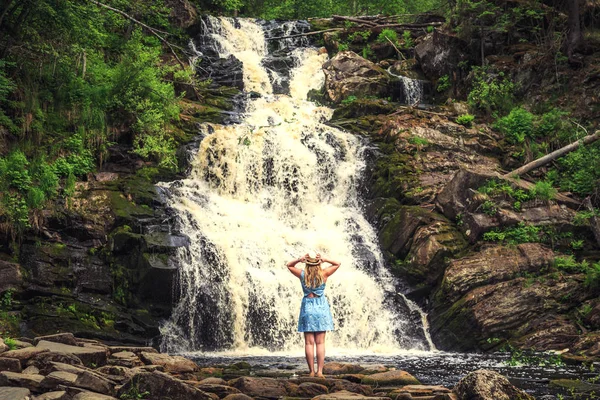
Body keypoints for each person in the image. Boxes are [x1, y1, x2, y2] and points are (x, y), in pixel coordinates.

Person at [286, 252, 341, 378]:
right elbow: (338, 263)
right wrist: (324, 259)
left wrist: (299, 259)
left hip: (308, 308)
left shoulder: (302, 275)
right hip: (321, 307)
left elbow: (289, 265)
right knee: (320, 342)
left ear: (307, 264)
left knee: (309, 343)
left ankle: (311, 371)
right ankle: (320, 372)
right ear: (318, 264)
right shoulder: (324, 274)